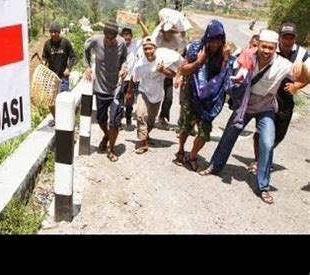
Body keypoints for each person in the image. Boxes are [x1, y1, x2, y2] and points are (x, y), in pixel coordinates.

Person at [200, 29, 307, 204]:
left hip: (266, 107)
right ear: (259, 46)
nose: (266, 51)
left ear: (275, 48)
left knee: (267, 143)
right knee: (229, 136)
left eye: (270, 48)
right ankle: (214, 166)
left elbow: (304, 78)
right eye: (263, 47)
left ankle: (263, 187)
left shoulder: (283, 64)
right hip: (245, 105)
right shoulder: (247, 57)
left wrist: (301, 71)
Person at [247, 23, 309, 174]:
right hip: (267, 96)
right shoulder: (271, 47)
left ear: (295, 38)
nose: (288, 41)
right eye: (285, 37)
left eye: (291, 37)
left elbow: (308, 76)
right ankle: (259, 161)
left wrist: (297, 86)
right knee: (262, 130)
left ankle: (265, 153)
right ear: (279, 37)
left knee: (279, 134)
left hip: (285, 98)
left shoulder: (302, 54)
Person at [174, 20, 234, 172]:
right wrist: (199, 62)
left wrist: (226, 60)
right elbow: (184, 69)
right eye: (213, 40)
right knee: (185, 127)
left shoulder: (224, 52)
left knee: (204, 133)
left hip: (210, 99)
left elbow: (224, 75)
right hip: (191, 94)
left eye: (219, 40)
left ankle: (192, 155)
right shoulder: (195, 48)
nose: (215, 44)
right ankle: (181, 149)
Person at [125, 37, 179, 154]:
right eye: (145, 49)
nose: (148, 51)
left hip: (157, 95)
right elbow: (133, 79)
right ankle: (143, 143)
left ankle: (146, 134)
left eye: (150, 48)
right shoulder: (140, 64)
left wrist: (163, 70)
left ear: (155, 48)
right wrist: (129, 92)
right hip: (143, 91)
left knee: (150, 121)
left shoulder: (163, 60)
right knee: (140, 115)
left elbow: (173, 74)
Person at [84, 21, 128, 162]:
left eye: (112, 38)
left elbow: (124, 59)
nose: (109, 41)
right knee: (101, 119)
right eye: (107, 38)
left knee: (114, 121)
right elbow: (85, 51)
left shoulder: (121, 43)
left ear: (116, 36)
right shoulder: (95, 40)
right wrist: (87, 66)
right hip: (101, 88)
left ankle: (111, 148)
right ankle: (107, 135)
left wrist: (123, 68)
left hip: (116, 88)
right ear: (103, 35)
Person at [42, 21, 76, 127]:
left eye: (55, 32)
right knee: (50, 101)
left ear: (59, 32)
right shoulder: (47, 44)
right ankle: (57, 119)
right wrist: (44, 62)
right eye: (51, 32)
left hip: (63, 77)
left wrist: (68, 68)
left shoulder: (65, 43)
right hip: (51, 78)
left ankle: (65, 122)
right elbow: (44, 56)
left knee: (62, 100)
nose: (53, 34)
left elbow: (72, 56)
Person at [118, 15, 149, 127]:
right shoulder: (118, 45)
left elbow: (147, 34)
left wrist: (140, 22)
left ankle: (128, 117)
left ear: (131, 37)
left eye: (129, 37)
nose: (127, 40)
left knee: (130, 101)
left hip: (132, 78)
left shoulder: (135, 44)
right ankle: (119, 121)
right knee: (119, 100)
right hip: (121, 77)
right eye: (125, 38)